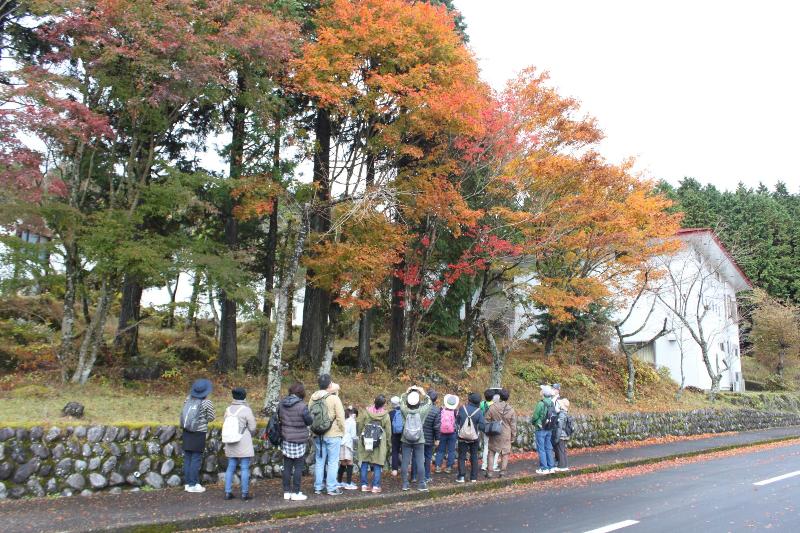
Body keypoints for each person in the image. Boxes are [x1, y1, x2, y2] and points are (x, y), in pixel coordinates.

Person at [310, 374, 346, 495]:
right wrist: (342, 431)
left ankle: (318, 487)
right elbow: (341, 417)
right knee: (332, 461)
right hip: (333, 434)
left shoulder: (313, 397)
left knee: (319, 461)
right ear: (330, 385)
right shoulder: (334, 399)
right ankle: (331, 487)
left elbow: (311, 415)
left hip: (318, 434)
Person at [279, 382, 313, 501]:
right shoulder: (302, 406)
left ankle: (286, 492)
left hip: (286, 439)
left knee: (287, 467)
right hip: (299, 440)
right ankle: (296, 492)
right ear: (301, 393)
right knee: (298, 467)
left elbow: (279, 418)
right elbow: (309, 421)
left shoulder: (282, 404)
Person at [180, 378, 215, 493]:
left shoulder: (187, 399)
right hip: (199, 432)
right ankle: (193, 484)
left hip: (187, 431)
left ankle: (187, 484)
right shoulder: (207, 403)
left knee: (188, 458)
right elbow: (211, 417)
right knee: (196, 458)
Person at [222, 387, 257, 500]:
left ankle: (228, 492)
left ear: (233, 397)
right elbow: (253, 427)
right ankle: (244, 493)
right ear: (244, 397)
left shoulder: (228, 409)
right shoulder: (246, 410)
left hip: (230, 440)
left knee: (230, 466)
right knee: (245, 467)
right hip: (243, 440)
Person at [357, 394, 392, 493]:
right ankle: (375, 487)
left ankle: (364, 485)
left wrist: (360, 435)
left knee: (364, 461)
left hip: (366, 439)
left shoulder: (366, 412)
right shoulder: (385, 415)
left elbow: (360, 425)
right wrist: (389, 444)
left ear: (374, 401)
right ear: (384, 404)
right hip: (379, 441)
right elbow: (388, 431)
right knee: (377, 463)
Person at [400, 385, 432, 491]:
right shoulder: (422, 411)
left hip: (406, 438)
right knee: (420, 461)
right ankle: (421, 484)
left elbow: (401, 401)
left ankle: (405, 484)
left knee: (405, 461)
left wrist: (407, 391)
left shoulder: (404, 410)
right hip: (419, 439)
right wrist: (422, 392)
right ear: (418, 401)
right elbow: (429, 402)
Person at [485, 388, 517, 478]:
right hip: (506, 434)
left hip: (494, 433)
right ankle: (502, 472)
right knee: (505, 453)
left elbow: (486, 419)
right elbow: (513, 425)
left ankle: (490, 472)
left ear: (499, 397)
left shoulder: (493, 407)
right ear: (507, 398)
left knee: (491, 452)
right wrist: (513, 436)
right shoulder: (511, 410)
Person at [456, 392, 485, 483]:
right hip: (474, 438)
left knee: (461, 456)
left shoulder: (462, 408)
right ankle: (473, 477)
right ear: (479, 402)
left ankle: (461, 476)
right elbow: (482, 426)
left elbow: (457, 421)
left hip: (462, 437)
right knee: (474, 456)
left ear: (469, 400)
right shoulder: (479, 412)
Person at [417, 389, 440, 484]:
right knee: (427, 457)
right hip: (429, 438)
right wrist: (437, 438)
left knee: (416, 457)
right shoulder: (436, 410)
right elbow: (436, 427)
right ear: (435, 400)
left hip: (418, 436)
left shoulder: (419, 406)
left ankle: (415, 476)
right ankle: (426, 476)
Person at [531, 385, 556, 474]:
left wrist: (534, 422)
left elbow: (535, 417)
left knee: (541, 449)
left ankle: (544, 468)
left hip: (541, 428)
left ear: (543, 393)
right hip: (549, 428)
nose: (540, 391)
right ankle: (551, 467)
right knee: (548, 448)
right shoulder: (552, 403)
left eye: (541, 390)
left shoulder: (541, 403)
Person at [434, 394, 458, 474]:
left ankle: (437, 467)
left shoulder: (441, 410)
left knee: (440, 450)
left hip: (442, 433)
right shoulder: (455, 411)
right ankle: (449, 467)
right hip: (452, 433)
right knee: (451, 450)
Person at [337, 406, 359, 490]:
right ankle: (349, 483)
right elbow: (353, 435)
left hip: (341, 442)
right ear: (353, 414)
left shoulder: (343, 419)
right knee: (350, 462)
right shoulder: (352, 421)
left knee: (343, 463)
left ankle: (338, 482)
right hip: (347, 444)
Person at [480, 388, 500, 473]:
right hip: (494, 428)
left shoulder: (482, 404)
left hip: (485, 428)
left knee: (485, 446)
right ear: (492, 397)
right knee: (495, 447)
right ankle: (494, 465)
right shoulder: (495, 405)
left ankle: (484, 465)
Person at [554, 398, 571, 471]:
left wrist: (556, 438)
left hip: (561, 435)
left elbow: (559, 427)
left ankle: (561, 466)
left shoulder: (561, 414)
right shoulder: (566, 413)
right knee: (563, 450)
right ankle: (565, 465)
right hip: (565, 435)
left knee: (560, 450)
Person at [389, 396, 403, 476]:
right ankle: (405, 470)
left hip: (394, 435)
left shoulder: (390, 413)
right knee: (404, 451)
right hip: (404, 434)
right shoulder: (404, 412)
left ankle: (394, 470)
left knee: (395, 451)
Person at [551, 383, 562, 466]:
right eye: (552, 388)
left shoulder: (558, 399)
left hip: (556, 422)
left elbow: (558, 411)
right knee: (553, 442)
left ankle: (558, 460)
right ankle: (556, 459)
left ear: (558, 390)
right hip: (552, 422)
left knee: (556, 442)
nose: (552, 390)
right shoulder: (553, 398)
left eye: (554, 388)